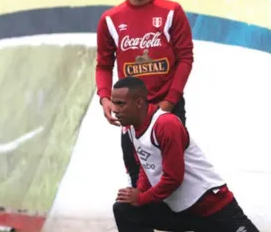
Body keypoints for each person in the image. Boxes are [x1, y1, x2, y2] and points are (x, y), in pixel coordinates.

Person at [110, 76, 259, 232]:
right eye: (114, 103)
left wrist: (141, 198)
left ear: (139, 102)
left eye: (120, 103)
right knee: (124, 210)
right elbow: (144, 164)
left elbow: (173, 179)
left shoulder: (166, 124)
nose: (115, 109)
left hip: (212, 207)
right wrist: (140, 189)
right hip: (180, 211)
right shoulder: (132, 127)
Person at [95, 0, 193, 190]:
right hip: (131, 112)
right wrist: (104, 98)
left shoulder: (171, 11)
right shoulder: (110, 19)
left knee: (176, 182)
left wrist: (169, 102)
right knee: (138, 181)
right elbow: (103, 65)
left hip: (167, 109)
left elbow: (185, 59)